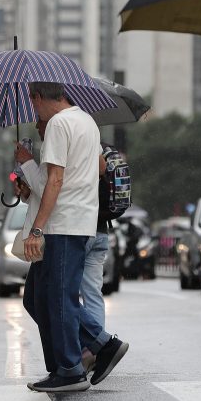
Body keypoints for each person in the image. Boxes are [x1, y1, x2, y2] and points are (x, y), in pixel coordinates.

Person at [16, 82, 128, 393]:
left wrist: (36, 229)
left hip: (62, 223)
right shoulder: (86, 121)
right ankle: (81, 355)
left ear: (38, 97)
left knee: (58, 298)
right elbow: (101, 166)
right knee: (37, 297)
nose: (33, 111)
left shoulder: (58, 124)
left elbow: (54, 181)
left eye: (32, 102)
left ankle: (75, 365)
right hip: (78, 220)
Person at [78, 143, 129, 374]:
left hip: (79, 230)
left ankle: (97, 345)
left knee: (64, 295)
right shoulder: (101, 146)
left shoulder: (77, 144)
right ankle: (95, 352)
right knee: (93, 294)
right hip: (100, 231)